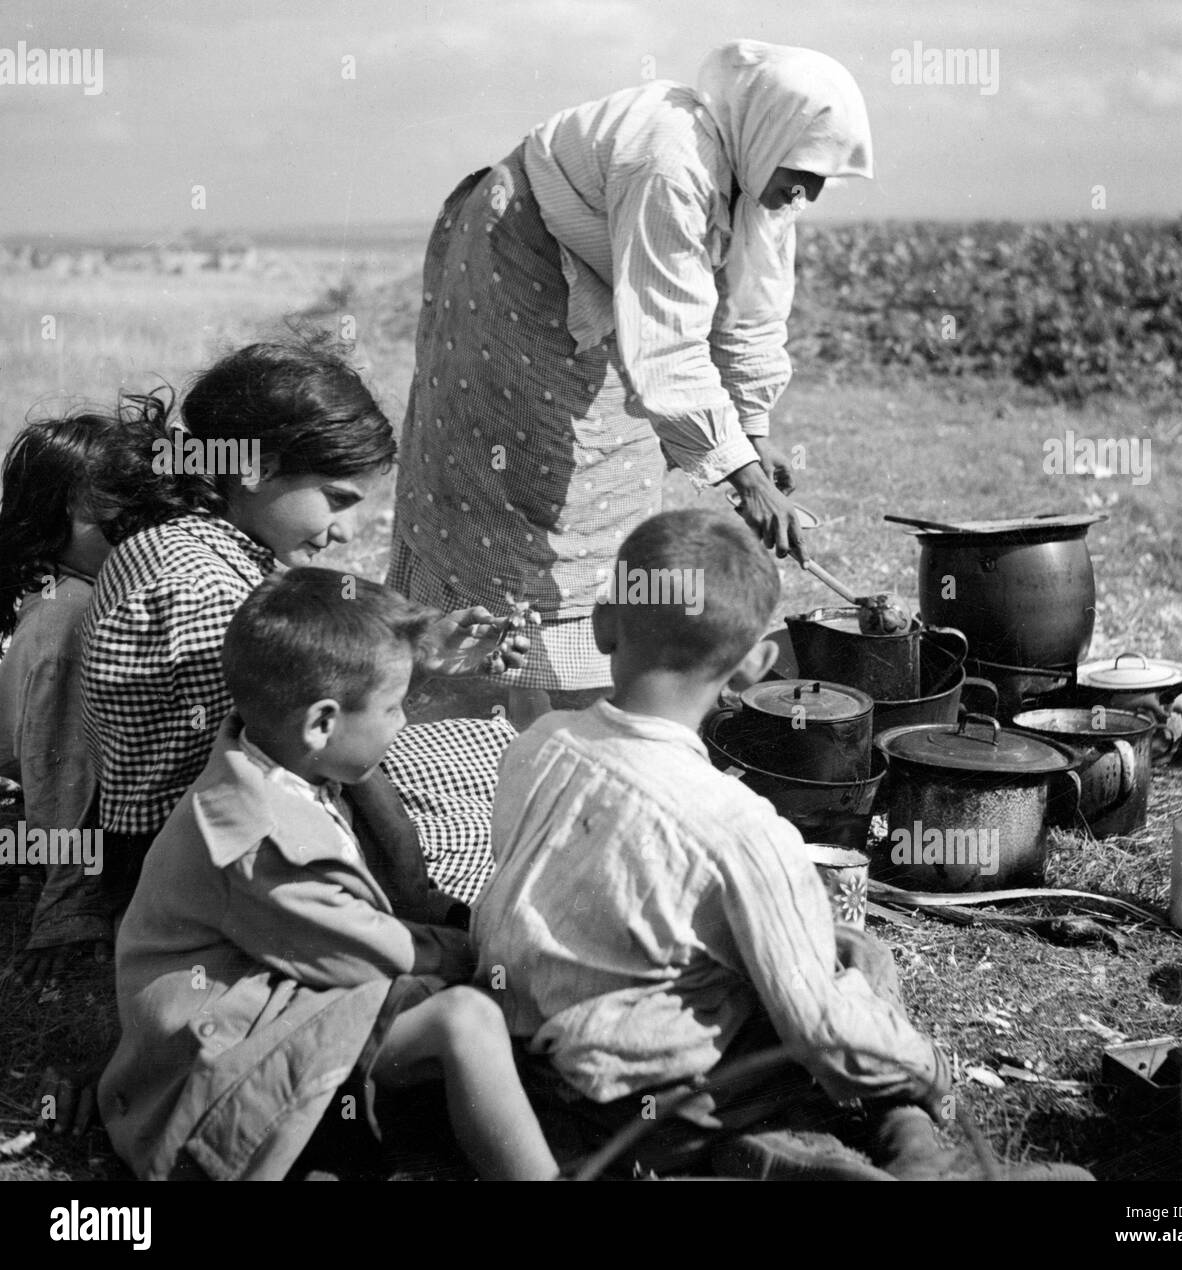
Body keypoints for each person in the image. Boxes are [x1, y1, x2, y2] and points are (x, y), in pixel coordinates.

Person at [472, 509, 1094, 1180]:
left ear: (600, 626)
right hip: (642, 1106)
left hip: (518, 1063)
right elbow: (821, 1028)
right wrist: (926, 1065)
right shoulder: (739, 826)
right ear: (752, 670)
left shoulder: (538, 744)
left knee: (825, 951)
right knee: (846, 970)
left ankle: (844, 1150)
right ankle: (899, 1155)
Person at [389, 39, 873, 717]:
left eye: (824, 179)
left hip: (602, 280)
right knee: (523, 475)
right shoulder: (671, 158)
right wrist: (745, 481)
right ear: (767, 133)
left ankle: (581, 692)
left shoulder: (762, 183)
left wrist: (752, 439)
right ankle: (481, 696)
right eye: (803, 170)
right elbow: (669, 345)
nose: (808, 192)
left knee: (615, 472)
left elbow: (748, 318)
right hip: (519, 263)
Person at [98, 568, 559, 1180]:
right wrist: (494, 949)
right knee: (466, 1017)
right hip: (213, 1090)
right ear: (321, 724)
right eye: (396, 709)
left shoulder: (278, 755)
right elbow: (373, 955)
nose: (403, 722)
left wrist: (416, 666)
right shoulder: (260, 844)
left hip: (274, 1014)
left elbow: (343, 712)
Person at [80, 337, 527, 913]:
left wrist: (420, 656)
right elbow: (306, 754)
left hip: (206, 828)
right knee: (495, 822)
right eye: (336, 498)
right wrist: (414, 889)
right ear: (253, 469)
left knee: (482, 751)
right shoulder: (202, 588)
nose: (343, 530)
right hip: (210, 869)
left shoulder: (188, 540)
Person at [0, 414, 117, 987]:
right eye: (112, 516)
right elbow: (61, 772)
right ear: (59, 519)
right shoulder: (72, 620)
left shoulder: (61, 588)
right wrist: (68, 909)